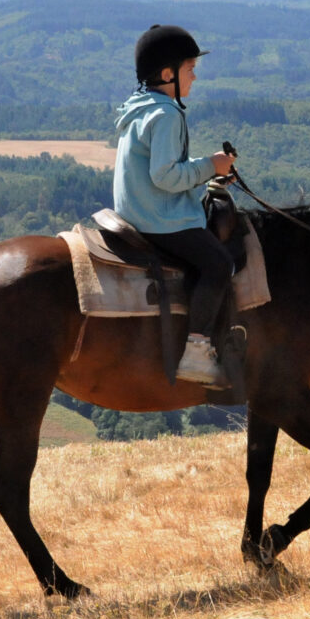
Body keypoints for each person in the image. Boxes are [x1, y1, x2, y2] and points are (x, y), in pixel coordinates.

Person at [113, 24, 237, 386]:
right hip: (159, 218)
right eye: (190, 69)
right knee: (218, 264)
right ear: (168, 74)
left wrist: (205, 174)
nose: (195, 77)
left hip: (136, 210)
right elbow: (165, 177)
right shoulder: (167, 114)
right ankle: (197, 352)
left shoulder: (139, 107)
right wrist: (210, 166)